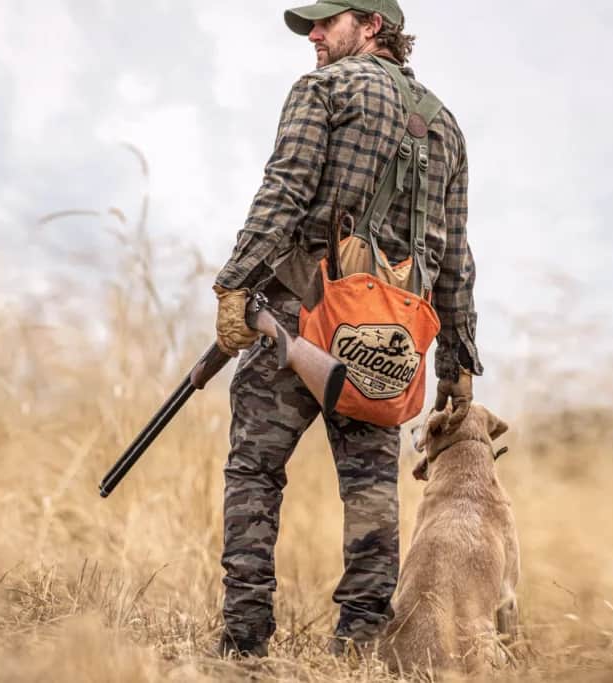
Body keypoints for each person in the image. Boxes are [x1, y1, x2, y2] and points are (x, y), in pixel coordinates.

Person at [211, 0, 483, 657]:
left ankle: (244, 645)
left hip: (298, 314)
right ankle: (361, 646)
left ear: (371, 26)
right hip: (388, 344)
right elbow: (453, 251)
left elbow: (286, 190)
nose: (313, 35)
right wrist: (457, 360)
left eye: (325, 22)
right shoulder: (445, 126)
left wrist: (235, 283)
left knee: (254, 471)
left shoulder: (323, 88)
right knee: (371, 491)